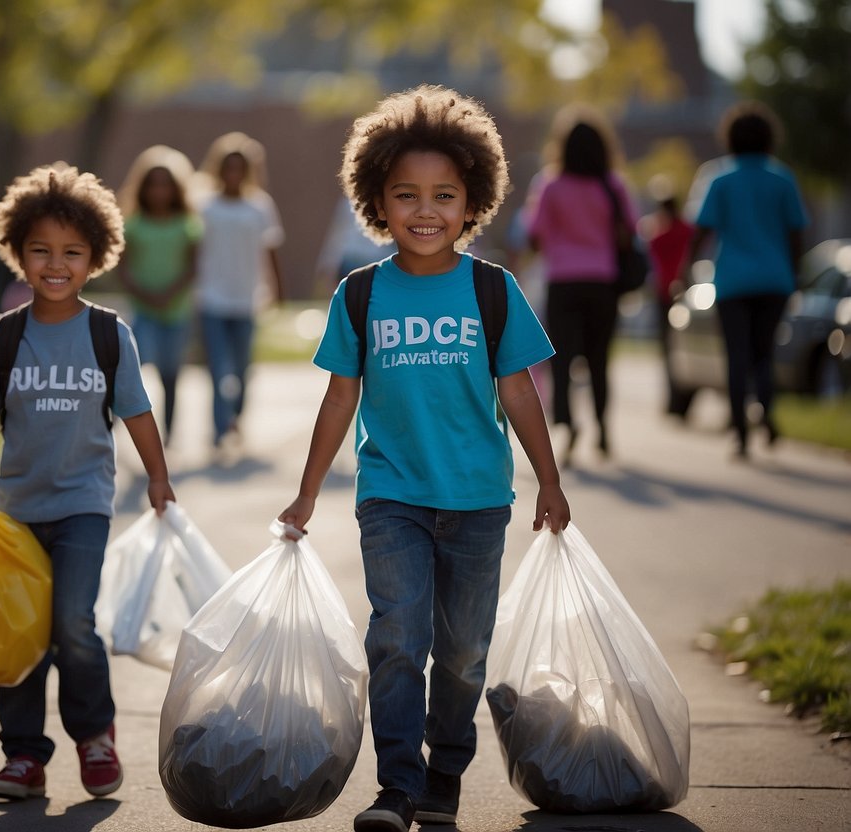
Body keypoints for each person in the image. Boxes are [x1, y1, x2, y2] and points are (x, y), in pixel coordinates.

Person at [278, 85, 571, 832]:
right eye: (405, 195)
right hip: (391, 497)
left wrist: (550, 480)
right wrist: (307, 493)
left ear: (472, 199)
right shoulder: (360, 294)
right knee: (397, 640)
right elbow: (338, 401)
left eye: (443, 194)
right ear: (376, 199)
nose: (424, 210)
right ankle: (397, 787)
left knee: (465, 651)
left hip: (477, 498)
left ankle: (446, 771)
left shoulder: (491, 290)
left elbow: (520, 393)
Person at [0, 163, 175, 802]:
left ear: (95, 257)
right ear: (17, 253)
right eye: (41, 250)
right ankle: (22, 757)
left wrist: (158, 477)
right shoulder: (5, 337)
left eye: (72, 252)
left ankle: (95, 735)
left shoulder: (109, 335)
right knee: (20, 630)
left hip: (82, 507)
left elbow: (136, 411)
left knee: (73, 623)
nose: (56, 264)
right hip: (15, 511)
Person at [686, 101, 808, 458]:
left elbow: (702, 232)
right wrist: (795, 273)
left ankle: (740, 431)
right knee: (764, 353)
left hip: (733, 281)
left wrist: (684, 272)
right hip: (775, 279)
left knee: (736, 354)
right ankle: (766, 413)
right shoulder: (782, 178)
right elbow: (796, 233)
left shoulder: (720, 178)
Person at [523, 105, 638, 463]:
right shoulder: (613, 185)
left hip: (563, 282)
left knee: (562, 360)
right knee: (600, 359)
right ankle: (603, 429)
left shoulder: (551, 184)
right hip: (603, 282)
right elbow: (631, 231)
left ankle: (568, 424)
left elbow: (533, 235)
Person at [192, 131, 285, 450]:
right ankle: (220, 430)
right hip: (211, 297)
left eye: (239, 168)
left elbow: (270, 250)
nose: (233, 174)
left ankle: (236, 415)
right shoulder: (204, 206)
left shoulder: (260, 206)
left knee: (242, 369)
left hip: (247, 297)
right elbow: (193, 251)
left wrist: (278, 289)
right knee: (218, 367)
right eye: (228, 167)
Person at [116, 145, 202, 442]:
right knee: (131, 369)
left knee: (170, 374)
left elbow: (193, 267)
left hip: (176, 311)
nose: (159, 191)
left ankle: (168, 435)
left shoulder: (187, 224)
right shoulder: (134, 225)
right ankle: (115, 425)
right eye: (153, 184)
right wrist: (145, 294)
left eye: (165, 184)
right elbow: (123, 269)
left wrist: (170, 293)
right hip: (144, 310)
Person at [640, 175, 695, 413]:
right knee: (682, 347)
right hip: (685, 290)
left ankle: (674, 401)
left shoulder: (659, 234)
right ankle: (681, 402)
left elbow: (647, 240)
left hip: (665, 293)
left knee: (669, 349)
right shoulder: (687, 231)